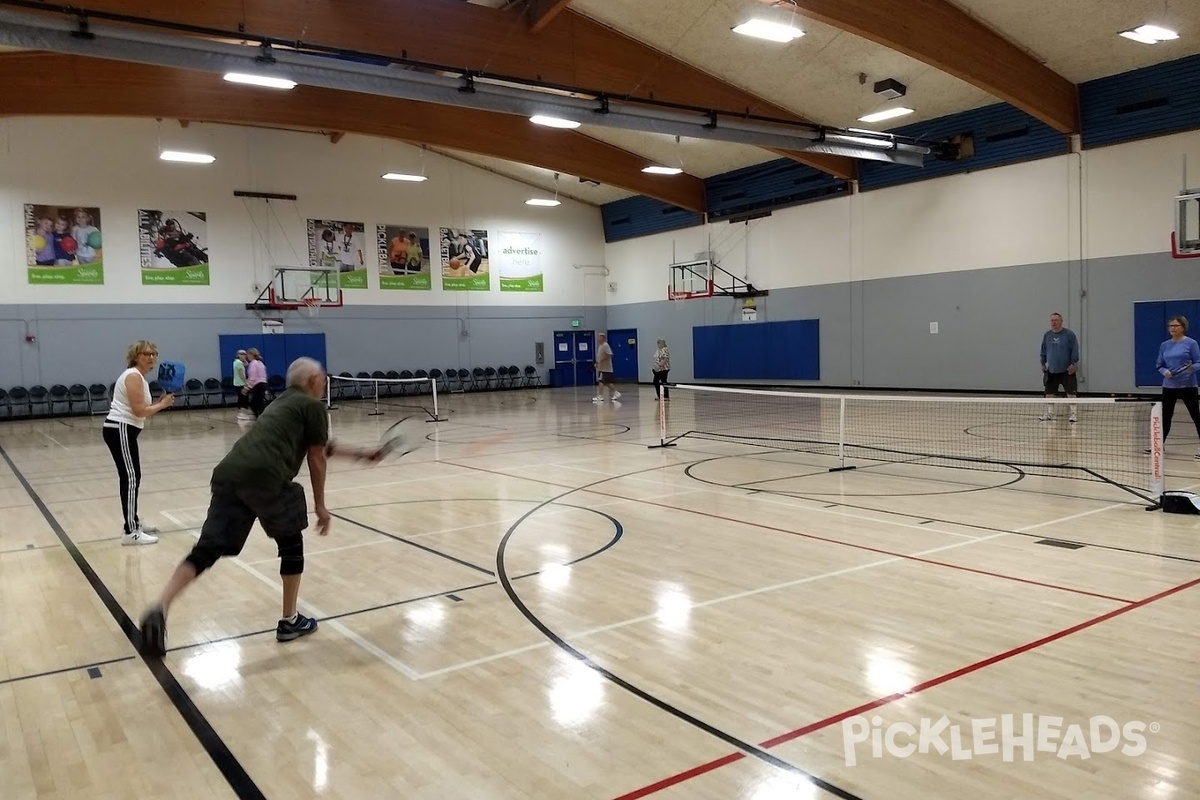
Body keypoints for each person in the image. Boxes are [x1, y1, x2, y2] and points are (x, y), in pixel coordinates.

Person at [138, 357, 384, 656]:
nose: (325, 381)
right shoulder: (314, 406)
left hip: (229, 473)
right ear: (310, 382)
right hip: (267, 478)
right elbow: (316, 457)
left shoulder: (282, 403)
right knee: (292, 545)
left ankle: (160, 607)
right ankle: (290, 621)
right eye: (321, 377)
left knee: (208, 549)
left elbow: (319, 444)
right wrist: (320, 505)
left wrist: (362, 453)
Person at [103, 340, 175, 545]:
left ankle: (133, 522)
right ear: (135, 356)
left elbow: (142, 408)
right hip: (120, 429)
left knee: (132, 477)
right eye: (145, 354)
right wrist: (162, 404)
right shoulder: (133, 376)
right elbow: (140, 411)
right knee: (131, 478)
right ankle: (131, 531)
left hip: (124, 430)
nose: (150, 358)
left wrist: (159, 402)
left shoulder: (138, 377)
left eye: (153, 354)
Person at [1155, 315, 1200, 458]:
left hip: (1188, 386)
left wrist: (1191, 368)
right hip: (1169, 387)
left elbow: (1198, 362)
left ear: (1183, 327)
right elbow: (1159, 365)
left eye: (1176, 326)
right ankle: (1158, 445)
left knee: (1196, 417)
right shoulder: (1164, 345)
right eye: (1170, 326)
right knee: (1165, 417)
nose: (1172, 328)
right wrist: (1165, 372)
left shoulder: (1191, 343)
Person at [1039, 312, 1080, 423]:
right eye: (1052, 320)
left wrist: (1073, 363)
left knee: (1071, 392)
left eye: (1056, 320)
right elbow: (1043, 351)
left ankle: (1073, 414)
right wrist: (1043, 363)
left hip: (1067, 370)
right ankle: (1050, 413)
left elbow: (1075, 350)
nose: (1054, 322)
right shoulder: (1047, 335)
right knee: (1049, 393)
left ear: (1061, 321)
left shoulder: (1069, 335)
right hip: (1051, 370)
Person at [593, 333, 620, 403]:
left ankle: (600, 396)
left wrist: (601, 361)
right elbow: (599, 356)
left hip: (606, 368)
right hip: (601, 368)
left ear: (603, 338)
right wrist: (597, 363)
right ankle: (616, 393)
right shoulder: (600, 346)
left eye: (599, 337)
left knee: (601, 381)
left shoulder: (605, 345)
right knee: (607, 382)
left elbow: (609, 355)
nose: (598, 339)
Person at [246, 347, 268, 419]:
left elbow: (252, 377)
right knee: (259, 402)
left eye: (248, 354)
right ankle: (261, 417)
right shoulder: (260, 363)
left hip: (258, 385)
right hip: (263, 384)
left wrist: (247, 387)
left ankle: (260, 418)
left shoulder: (253, 363)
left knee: (254, 403)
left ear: (252, 355)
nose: (247, 356)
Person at [232, 349, 251, 421]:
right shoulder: (239, 363)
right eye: (243, 355)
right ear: (239, 355)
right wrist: (246, 382)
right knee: (243, 398)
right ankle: (242, 413)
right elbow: (241, 374)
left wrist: (244, 360)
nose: (245, 356)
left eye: (245, 355)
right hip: (240, 383)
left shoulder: (236, 362)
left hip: (237, 383)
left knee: (242, 398)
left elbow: (246, 364)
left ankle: (243, 412)